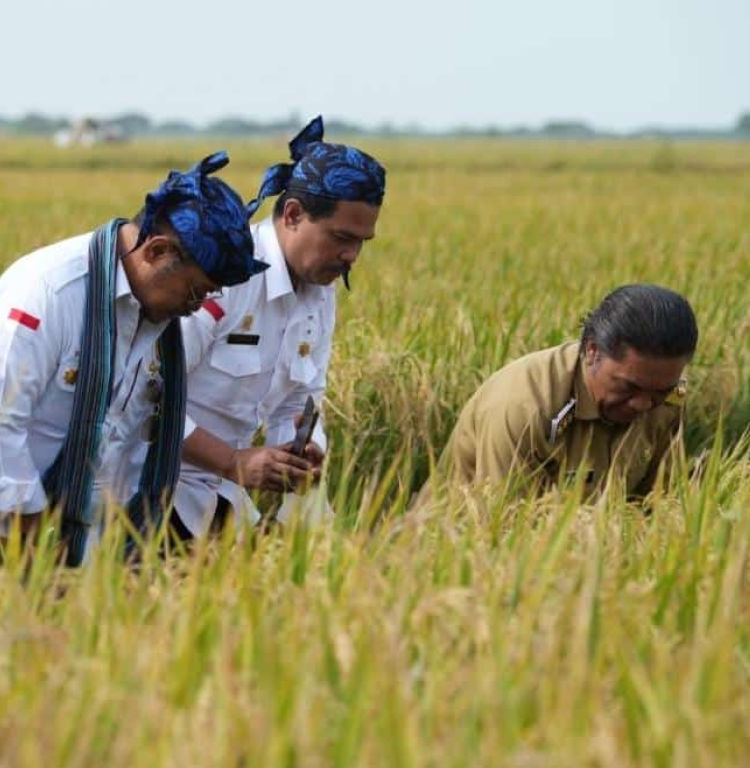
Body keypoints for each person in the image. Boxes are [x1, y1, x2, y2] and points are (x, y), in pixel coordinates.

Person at [0, 152, 267, 565]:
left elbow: (127, 432)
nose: (196, 307)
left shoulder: (153, 318)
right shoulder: (51, 290)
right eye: (194, 291)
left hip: (57, 520)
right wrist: (29, 532)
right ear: (155, 251)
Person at [172, 117, 385, 538]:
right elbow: (143, 398)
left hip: (221, 492)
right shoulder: (225, 277)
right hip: (152, 485)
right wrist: (233, 461)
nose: (351, 256)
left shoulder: (320, 293)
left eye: (362, 242)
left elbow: (299, 401)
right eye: (341, 237)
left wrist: (306, 449)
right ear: (292, 215)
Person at [425, 284, 697, 500]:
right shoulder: (524, 406)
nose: (643, 404)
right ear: (592, 353)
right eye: (629, 387)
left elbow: (658, 500)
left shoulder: (670, 397)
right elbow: (501, 528)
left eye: (660, 391)